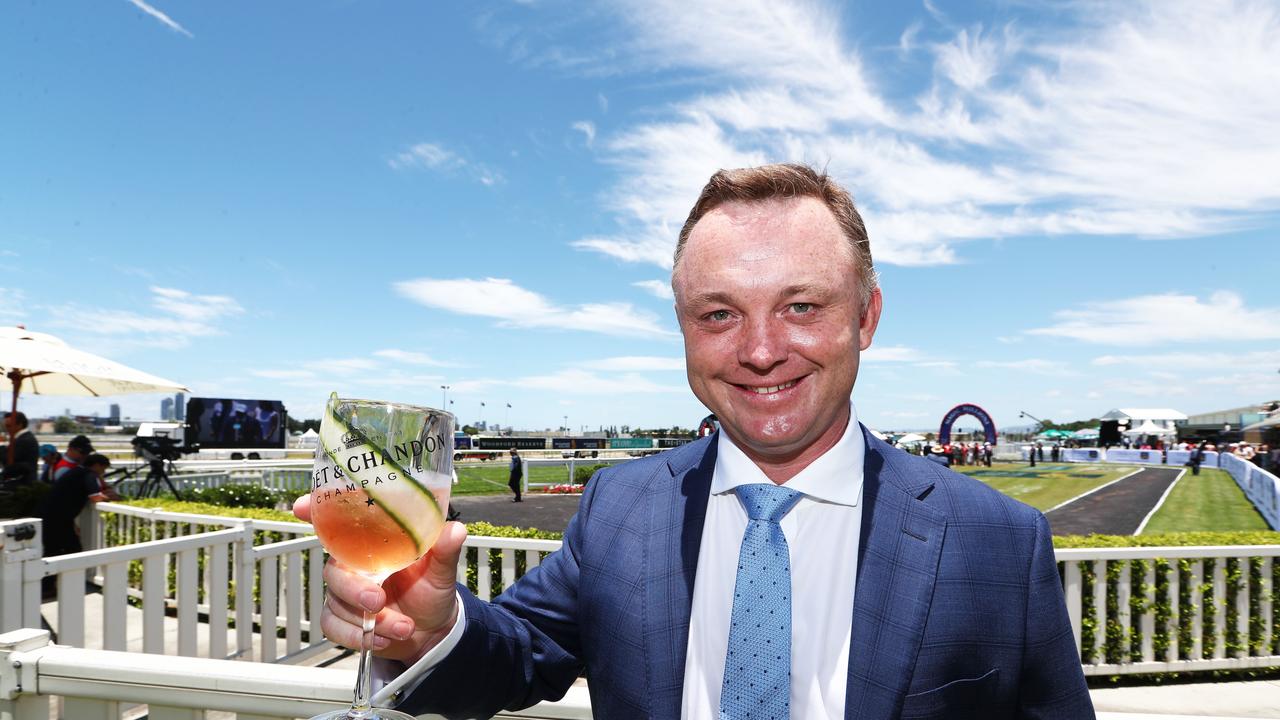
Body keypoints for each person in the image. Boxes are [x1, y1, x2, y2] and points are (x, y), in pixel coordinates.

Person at [295, 163, 1092, 718]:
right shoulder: (622, 506)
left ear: (867, 317)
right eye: (718, 314)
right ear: (682, 328)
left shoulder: (998, 542)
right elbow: (518, 652)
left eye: (802, 306)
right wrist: (434, 630)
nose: (758, 349)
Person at [38, 453, 119, 557]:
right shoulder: (89, 474)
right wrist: (112, 498)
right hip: (57, 519)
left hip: (52, 515)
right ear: (97, 465)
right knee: (71, 550)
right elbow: (95, 497)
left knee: (54, 550)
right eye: (103, 469)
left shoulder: (76, 471)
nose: (103, 472)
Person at [2, 411, 40, 485]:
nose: (7, 429)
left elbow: (8, 460)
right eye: (6, 426)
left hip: (22, 485)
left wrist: (2, 448)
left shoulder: (24, 440)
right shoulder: (22, 438)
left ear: (20, 424)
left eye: (9, 426)